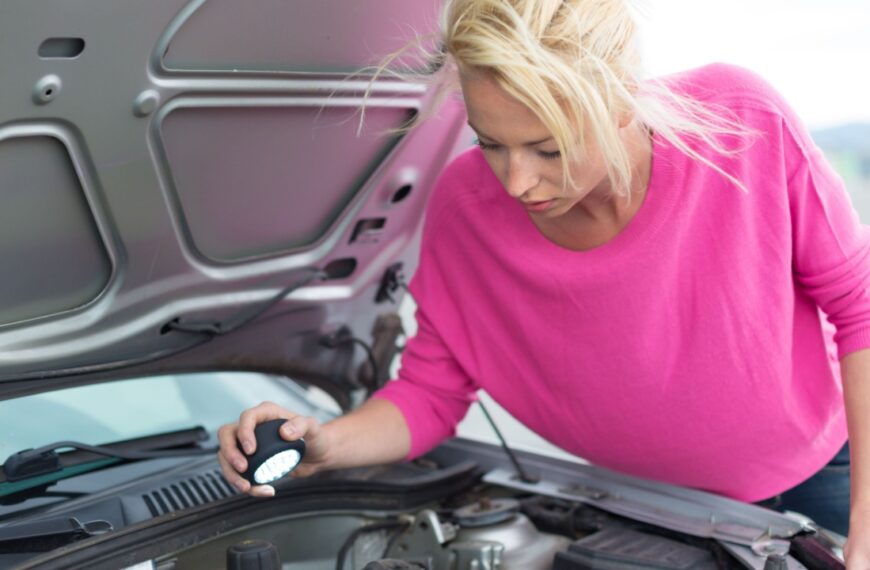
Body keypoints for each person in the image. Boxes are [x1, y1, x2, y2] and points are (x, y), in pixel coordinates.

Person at [218, 0, 870, 563]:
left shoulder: (742, 122)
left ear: (618, 101)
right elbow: (430, 393)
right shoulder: (463, 207)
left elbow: (860, 307)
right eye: (490, 143)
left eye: (548, 148)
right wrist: (327, 442)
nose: (515, 182)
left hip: (827, 474)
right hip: (642, 510)